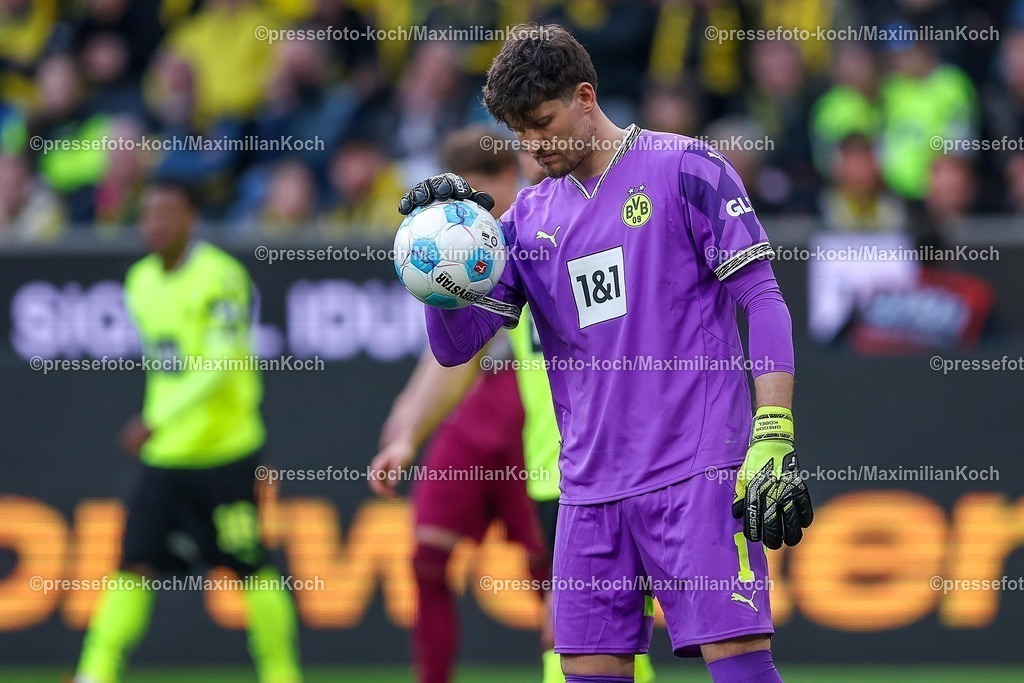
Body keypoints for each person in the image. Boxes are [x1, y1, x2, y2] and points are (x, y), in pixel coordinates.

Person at [398, 25, 812, 683]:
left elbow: (762, 299)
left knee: (738, 666)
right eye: (520, 134)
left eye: (543, 123)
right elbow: (457, 348)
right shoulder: (526, 224)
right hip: (588, 492)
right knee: (586, 672)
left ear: (585, 96)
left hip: (697, 471)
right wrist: (435, 265)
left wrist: (774, 432)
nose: (534, 146)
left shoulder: (688, 169)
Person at [370, 127, 655, 683]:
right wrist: (407, 431)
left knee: (587, 634)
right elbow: (456, 358)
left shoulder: (573, 231)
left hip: (606, 466)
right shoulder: (511, 250)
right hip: (553, 471)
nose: (465, 219)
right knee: (584, 635)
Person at [73, 181, 302, 683]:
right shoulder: (139, 281)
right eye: (148, 215)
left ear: (193, 219)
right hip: (167, 459)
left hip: (226, 453)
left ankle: (282, 674)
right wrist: (163, 424)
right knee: (133, 563)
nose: (155, 224)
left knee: (250, 567)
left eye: (168, 214)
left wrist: (156, 418)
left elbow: (221, 361)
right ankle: (95, 673)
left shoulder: (220, 277)